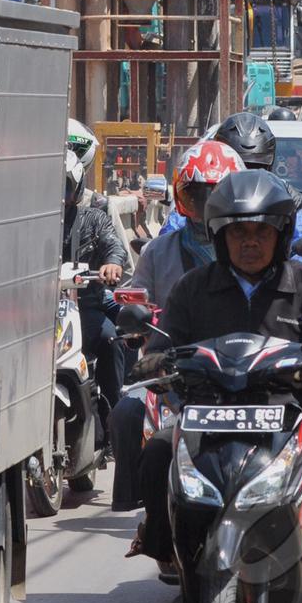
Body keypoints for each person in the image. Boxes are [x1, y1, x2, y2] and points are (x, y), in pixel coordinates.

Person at [131, 170, 302, 603]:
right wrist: (155, 362)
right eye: (239, 232)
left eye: (261, 232)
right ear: (221, 237)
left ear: (282, 235)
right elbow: (163, 342)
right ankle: (178, 567)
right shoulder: (193, 288)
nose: (250, 242)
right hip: (208, 414)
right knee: (158, 451)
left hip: (289, 413)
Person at [108, 141, 245, 513]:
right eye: (198, 196)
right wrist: (135, 320)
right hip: (173, 370)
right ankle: (144, 512)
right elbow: (135, 298)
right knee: (126, 413)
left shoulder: (252, 251)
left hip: (241, 368)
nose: (207, 206)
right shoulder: (159, 251)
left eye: (217, 197)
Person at [160, 112, 302, 265]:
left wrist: (284, 277)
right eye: (239, 167)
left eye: (256, 168)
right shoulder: (199, 192)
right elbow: (169, 242)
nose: (247, 177)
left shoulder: (283, 196)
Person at [61, 151, 129, 440]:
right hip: (37, 312)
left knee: (111, 339)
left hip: (85, 307)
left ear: (76, 188)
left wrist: (112, 263)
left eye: (63, 187)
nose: (57, 195)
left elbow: (113, 245)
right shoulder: (30, 224)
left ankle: (114, 421)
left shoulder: (93, 219)